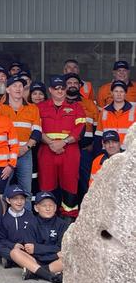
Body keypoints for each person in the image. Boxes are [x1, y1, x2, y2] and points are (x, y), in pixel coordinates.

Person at [37, 75, 86, 219]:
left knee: (70, 185)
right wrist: (51, 143)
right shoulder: (39, 108)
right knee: (46, 186)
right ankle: (47, 220)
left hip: (69, 152)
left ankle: (68, 220)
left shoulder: (76, 107)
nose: (60, 91)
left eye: (62, 88)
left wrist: (63, 142)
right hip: (47, 151)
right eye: (56, 88)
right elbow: (35, 129)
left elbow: (81, 129)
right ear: (50, 90)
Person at [0, 75, 41, 210]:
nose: (18, 88)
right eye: (14, 85)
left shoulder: (33, 108)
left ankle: (26, 221)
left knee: (26, 192)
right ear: (7, 89)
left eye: (21, 86)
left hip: (25, 153)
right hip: (5, 154)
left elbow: (37, 132)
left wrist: (26, 147)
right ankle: (3, 221)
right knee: (2, 191)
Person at [10, 192, 67, 283]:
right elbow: (30, 249)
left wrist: (36, 248)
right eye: (44, 205)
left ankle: (34, 272)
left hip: (55, 259)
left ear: (55, 208)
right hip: (35, 260)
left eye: (51, 205)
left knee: (67, 258)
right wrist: (53, 252)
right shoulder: (31, 223)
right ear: (36, 208)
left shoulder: (62, 224)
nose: (48, 208)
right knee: (14, 252)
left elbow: (61, 247)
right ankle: (49, 276)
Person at [64, 73, 98, 203]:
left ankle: (85, 213)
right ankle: (67, 214)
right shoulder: (59, 103)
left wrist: (92, 145)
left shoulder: (89, 104)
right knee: (67, 182)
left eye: (75, 83)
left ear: (79, 86)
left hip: (85, 150)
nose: (72, 85)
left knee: (85, 182)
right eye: (69, 83)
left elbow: (97, 128)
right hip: (65, 150)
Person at [0, 185, 35, 268]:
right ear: (8, 200)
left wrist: (28, 245)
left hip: (26, 249)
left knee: (36, 250)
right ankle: (22, 262)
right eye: (15, 199)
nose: (19, 202)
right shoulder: (4, 218)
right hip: (12, 248)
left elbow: (35, 234)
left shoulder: (30, 216)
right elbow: (2, 239)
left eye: (22, 199)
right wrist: (13, 245)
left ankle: (13, 261)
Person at [95, 80, 135, 147]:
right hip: (109, 151)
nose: (119, 94)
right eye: (116, 91)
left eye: (121, 91)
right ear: (111, 93)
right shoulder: (104, 111)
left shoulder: (134, 111)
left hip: (128, 151)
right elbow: (99, 135)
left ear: (125, 93)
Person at [28, 82, 48, 196]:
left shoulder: (49, 108)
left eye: (41, 93)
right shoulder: (27, 108)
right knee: (32, 175)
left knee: (44, 175)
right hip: (32, 146)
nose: (38, 96)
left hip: (45, 146)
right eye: (34, 93)